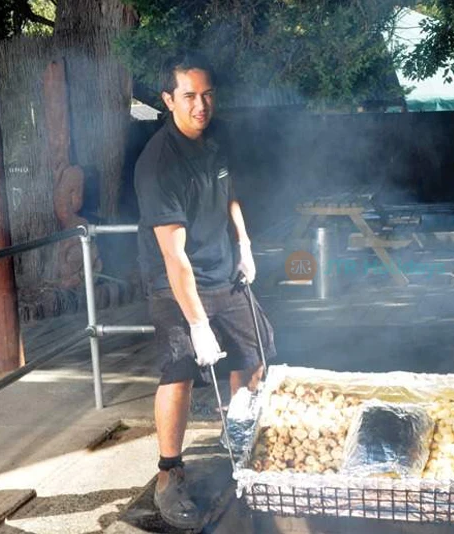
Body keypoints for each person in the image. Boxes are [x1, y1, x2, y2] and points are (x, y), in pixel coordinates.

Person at [134, 52, 276, 529]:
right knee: (178, 371)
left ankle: (238, 441)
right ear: (168, 99)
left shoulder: (215, 140)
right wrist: (196, 324)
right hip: (174, 284)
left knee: (253, 356)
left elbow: (229, 191)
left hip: (224, 272)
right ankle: (169, 473)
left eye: (207, 94)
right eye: (190, 96)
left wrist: (244, 243)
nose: (201, 105)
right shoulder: (158, 163)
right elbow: (175, 258)